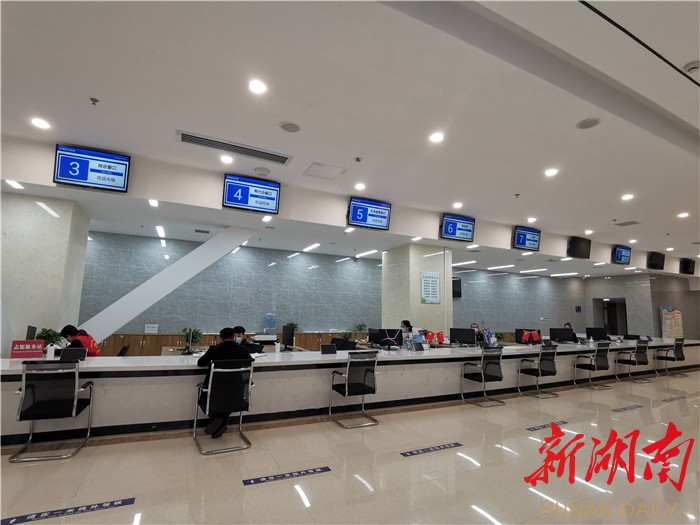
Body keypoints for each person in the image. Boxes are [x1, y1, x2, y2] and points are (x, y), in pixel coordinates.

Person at [197, 327, 253, 439]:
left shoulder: (214, 349)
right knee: (229, 399)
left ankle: (218, 419)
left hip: (215, 389)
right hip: (237, 390)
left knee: (208, 397)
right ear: (234, 337)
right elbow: (249, 363)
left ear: (220, 338)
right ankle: (222, 420)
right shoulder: (243, 350)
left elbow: (200, 363)